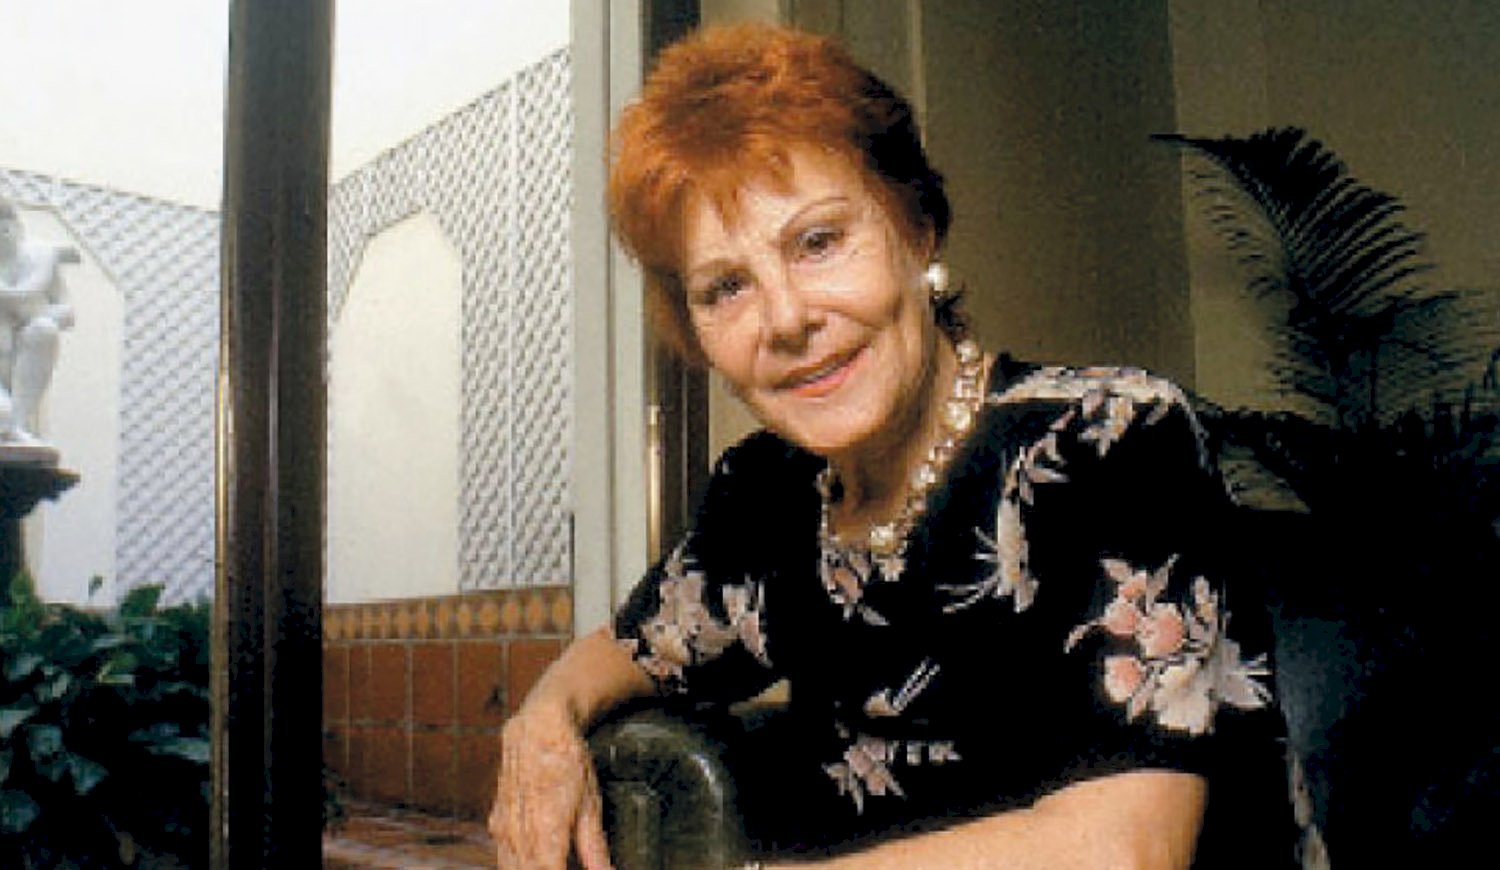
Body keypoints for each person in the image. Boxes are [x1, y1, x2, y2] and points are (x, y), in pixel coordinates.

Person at [491, 22, 1288, 869]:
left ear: (916, 229)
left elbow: (1126, 851)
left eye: (819, 242)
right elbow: (633, 647)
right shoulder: (766, 496)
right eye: (725, 287)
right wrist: (542, 721)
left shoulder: (1114, 439)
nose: (786, 319)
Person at [0, 197, 78, 450]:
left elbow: (67, 313)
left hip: (22, 358)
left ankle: (19, 425)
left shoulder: (38, 259)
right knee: (2, 415)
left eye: (6, 229)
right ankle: (10, 423)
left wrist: (32, 313)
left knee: (44, 330)